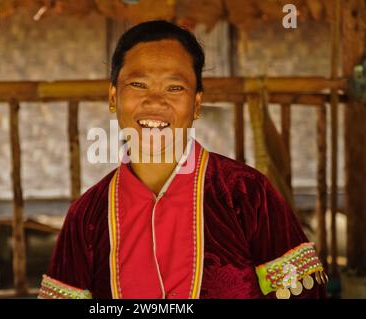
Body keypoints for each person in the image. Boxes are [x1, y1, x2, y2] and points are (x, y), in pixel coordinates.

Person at [38, 20, 327, 299]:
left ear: (197, 103)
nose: (154, 101)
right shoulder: (87, 216)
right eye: (138, 84)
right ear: (113, 96)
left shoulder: (247, 194)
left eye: (174, 87)